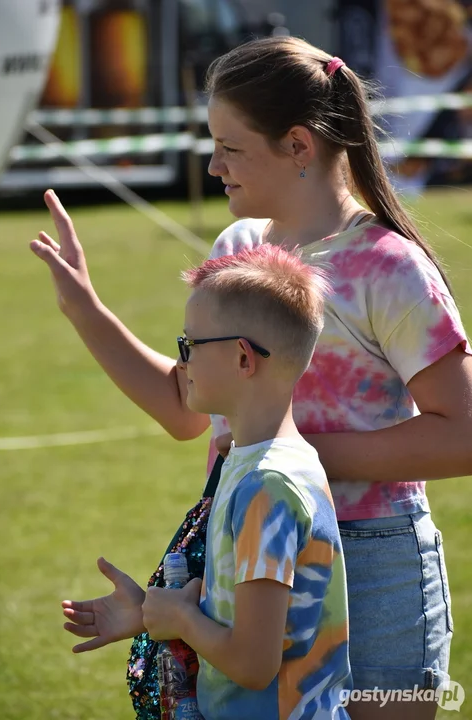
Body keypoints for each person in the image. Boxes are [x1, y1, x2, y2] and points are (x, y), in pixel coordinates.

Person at [30, 37, 472, 720]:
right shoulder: (237, 251)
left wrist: (286, 462)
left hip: (374, 568)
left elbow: (463, 435)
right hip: (249, 556)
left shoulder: (389, 267)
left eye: (230, 148)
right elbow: (186, 410)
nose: (212, 165)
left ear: (298, 146)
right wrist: (85, 311)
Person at [66, 244, 353, 720]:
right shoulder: (262, 463)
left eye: (190, 346)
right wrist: (151, 613)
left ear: (243, 359)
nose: (181, 363)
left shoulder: (269, 485)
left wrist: (180, 618)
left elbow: (253, 663)